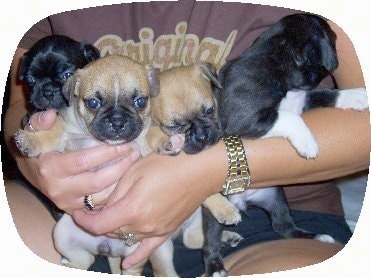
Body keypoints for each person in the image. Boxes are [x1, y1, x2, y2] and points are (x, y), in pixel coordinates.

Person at [3, 1, 370, 277]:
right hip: (71, 209)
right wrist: (36, 160)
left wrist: (209, 170)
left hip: (261, 215)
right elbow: (23, 102)